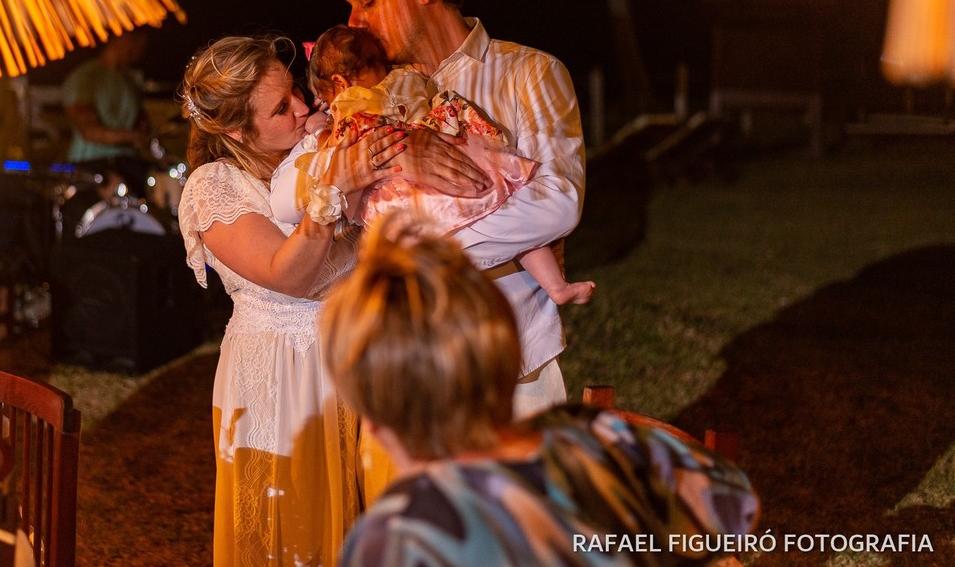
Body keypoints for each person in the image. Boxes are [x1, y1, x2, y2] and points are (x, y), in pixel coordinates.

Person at [175, 34, 483, 567]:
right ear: (233, 129)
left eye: (295, 90)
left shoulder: (317, 151)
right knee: (294, 539)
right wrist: (334, 188)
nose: (302, 106)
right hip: (281, 380)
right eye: (279, 108)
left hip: (357, 362)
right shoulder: (214, 185)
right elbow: (286, 274)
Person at [320, 218, 759, 567]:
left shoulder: (395, 532)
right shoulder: (584, 444)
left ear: (375, 424)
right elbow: (734, 505)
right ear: (508, 363)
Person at [326, 0, 587, 417]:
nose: (354, 22)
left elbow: (558, 203)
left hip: (507, 365)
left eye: (368, 1)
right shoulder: (368, 93)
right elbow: (317, 190)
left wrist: (409, 252)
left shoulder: (529, 74)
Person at [270, 25, 594, 307]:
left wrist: (321, 130)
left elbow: (339, 151)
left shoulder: (352, 105)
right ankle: (557, 286)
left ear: (339, 83)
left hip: (415, 193)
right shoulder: (409, 77)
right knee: (503, 202)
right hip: (469, 160)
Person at [61, 29, 156, 193]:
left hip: (129, 162)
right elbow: (89, 131)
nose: (143, 51)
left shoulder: (130, 82)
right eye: (141, 43)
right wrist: (131, 136)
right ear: (124, 38)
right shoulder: (85, 77)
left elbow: (143, 126)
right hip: (91, 164)